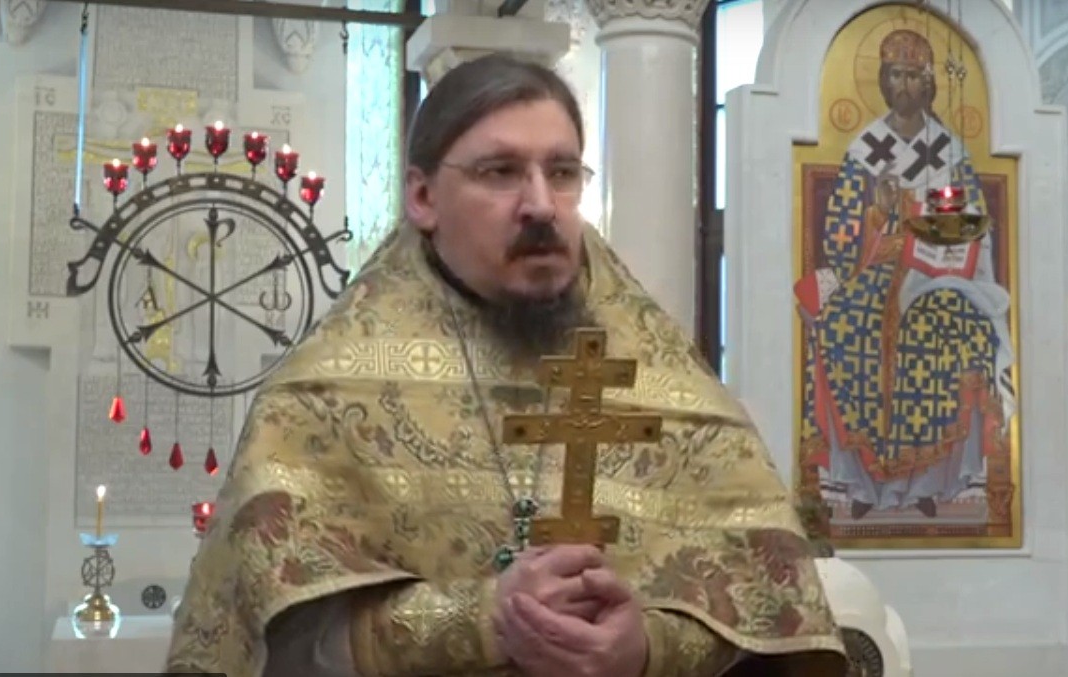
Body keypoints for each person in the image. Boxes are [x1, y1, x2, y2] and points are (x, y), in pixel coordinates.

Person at [165, 54, 847, 676]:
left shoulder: (671, 387)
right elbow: (276, 642)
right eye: (500, 172)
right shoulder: (321, 396)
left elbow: (767, 620)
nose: (541, 205)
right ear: (422, 198)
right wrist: (482, 620)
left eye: (562, 172)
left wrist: (646, 648)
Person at [794, 29, 1014, 521]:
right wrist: (878, 213)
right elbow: (839, 235)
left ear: (929, 84)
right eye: (896, 74)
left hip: (936, 273)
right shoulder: (864, 150)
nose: (906, 85)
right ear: (883, 80)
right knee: (845, 324)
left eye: (915, 75)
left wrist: (939, 243)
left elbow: (969, 224)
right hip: (875, 268)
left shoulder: (949, 151)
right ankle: (863, 484)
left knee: (950, 324)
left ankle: (927, 483)